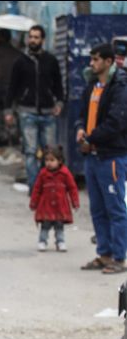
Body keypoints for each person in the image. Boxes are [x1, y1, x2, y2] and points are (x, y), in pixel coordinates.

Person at [77, 44, 127, 274]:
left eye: (96, 59)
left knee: (115, 208)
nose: (92, 63)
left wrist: (91, 138)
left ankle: (119, 257)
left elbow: (116, 122)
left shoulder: (119, 88)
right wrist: (80, 130)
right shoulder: (92, 86)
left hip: (111, 156)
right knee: (97, 209)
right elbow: (82, 114)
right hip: (92, 156)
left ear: (108, 62)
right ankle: (104, 254)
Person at [5, 25, 64, 191]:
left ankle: (50, 188)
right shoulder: (20, 61)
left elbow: (58, 85)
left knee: (50, 154)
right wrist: (8, 110)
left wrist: (59, 103)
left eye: (36, 37)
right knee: (31, 153)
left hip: (48, 113)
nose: (33, 40)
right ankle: (35, 189)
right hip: (27, 112)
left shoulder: (51, 61)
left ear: (43, 40)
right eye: (30, 37)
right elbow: (12, 87)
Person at [29, 146, 79, 252]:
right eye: (46, 160)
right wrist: (33, 202)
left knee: (59, 226)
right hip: (45, 206)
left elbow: (72, 188)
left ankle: (60, 242)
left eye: (52, 160)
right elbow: (37, 189)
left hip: (60, 206)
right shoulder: (43, 173)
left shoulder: (65, 173)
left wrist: (75, 202)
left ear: (59, 161)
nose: (49, 163)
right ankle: (42, 241)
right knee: (45, 225)